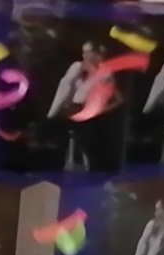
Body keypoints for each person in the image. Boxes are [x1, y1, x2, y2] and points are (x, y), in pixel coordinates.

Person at [48, 40, 122, 170]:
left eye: (88, 52)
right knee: (83, 131)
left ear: (97, 54)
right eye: (84, 52)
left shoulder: (106, 72)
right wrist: (58, 110)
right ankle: (84, 160)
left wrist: (104, 109)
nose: (85, 55)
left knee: (99, 133)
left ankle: (97, 164)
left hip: (95, 110)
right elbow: (65, 89)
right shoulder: (77, 67)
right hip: (76, 108)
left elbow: (117, 98)